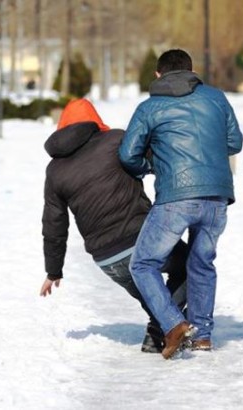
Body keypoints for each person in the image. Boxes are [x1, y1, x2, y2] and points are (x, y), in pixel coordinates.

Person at [118, 49, 243, 359]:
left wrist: (151, 165)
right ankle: (202, 336)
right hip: (217, 196)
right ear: (191, 71)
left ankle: (173, 324)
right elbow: (234, 142)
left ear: (158, 74)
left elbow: (127, 154)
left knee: (143, 264)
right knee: (202, 263)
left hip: (176, 196)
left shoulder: (149, 108)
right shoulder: (216, 98)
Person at [40, 98, 188, 353]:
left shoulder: (54, 171)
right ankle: (160, 329)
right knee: (191, 265)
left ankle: (159, 333)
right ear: (95, 120)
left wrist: (53, 271)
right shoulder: (116, 140)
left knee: (154, 298)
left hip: (106, 258)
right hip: (143, 239)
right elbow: (157, 159)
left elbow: (54, 224)